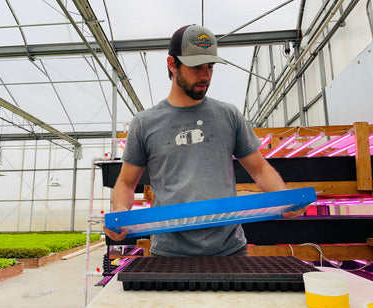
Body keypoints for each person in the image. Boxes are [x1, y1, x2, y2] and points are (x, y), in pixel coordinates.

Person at [104, 24, 307, 256]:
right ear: (172, 64)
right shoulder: (145, 123)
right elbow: (127, 183)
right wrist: (120, 214)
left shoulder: (229, 115)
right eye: (196, 67)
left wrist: (285, 198)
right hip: (170, 254)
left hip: (229, 250)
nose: (205, 75)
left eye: (210, 67)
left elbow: (259, 169)